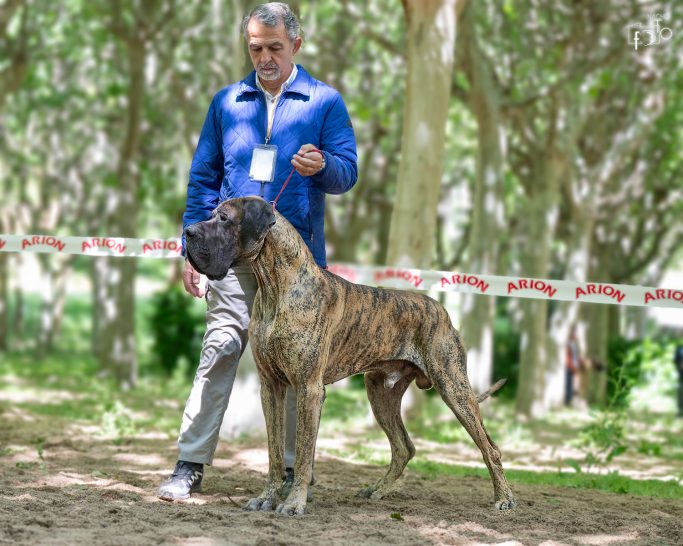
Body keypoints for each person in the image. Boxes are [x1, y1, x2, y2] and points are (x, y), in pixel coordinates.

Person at [158, 2, 358, 501]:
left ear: (296, 44)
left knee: (296, 369)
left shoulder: (325, 102)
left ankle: (291, 473)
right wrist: (192, 250)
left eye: (273, 47)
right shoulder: (227, 102)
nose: (264, 57)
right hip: (232, 258)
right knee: (220, 348)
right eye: (255, 48)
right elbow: (204, 178)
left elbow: (347, 172)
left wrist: (323, 166)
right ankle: (189, 462)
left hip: (297, 269)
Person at [565, 325, 581, 407]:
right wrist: (571, 365)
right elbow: (568, 356)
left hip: (574, 366)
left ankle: (571, 401)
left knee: (573, 384)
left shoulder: (574, 344)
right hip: (569, 366)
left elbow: (575, 356)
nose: (575, 335)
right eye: (574, 333)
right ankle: (567, 402)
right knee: (568, 384)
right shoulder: (568, 343)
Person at [675, 343, 683, 417]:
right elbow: (675, 360)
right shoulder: (679, 348)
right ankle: (680, 412)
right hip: (681, 375)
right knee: (681, 392)